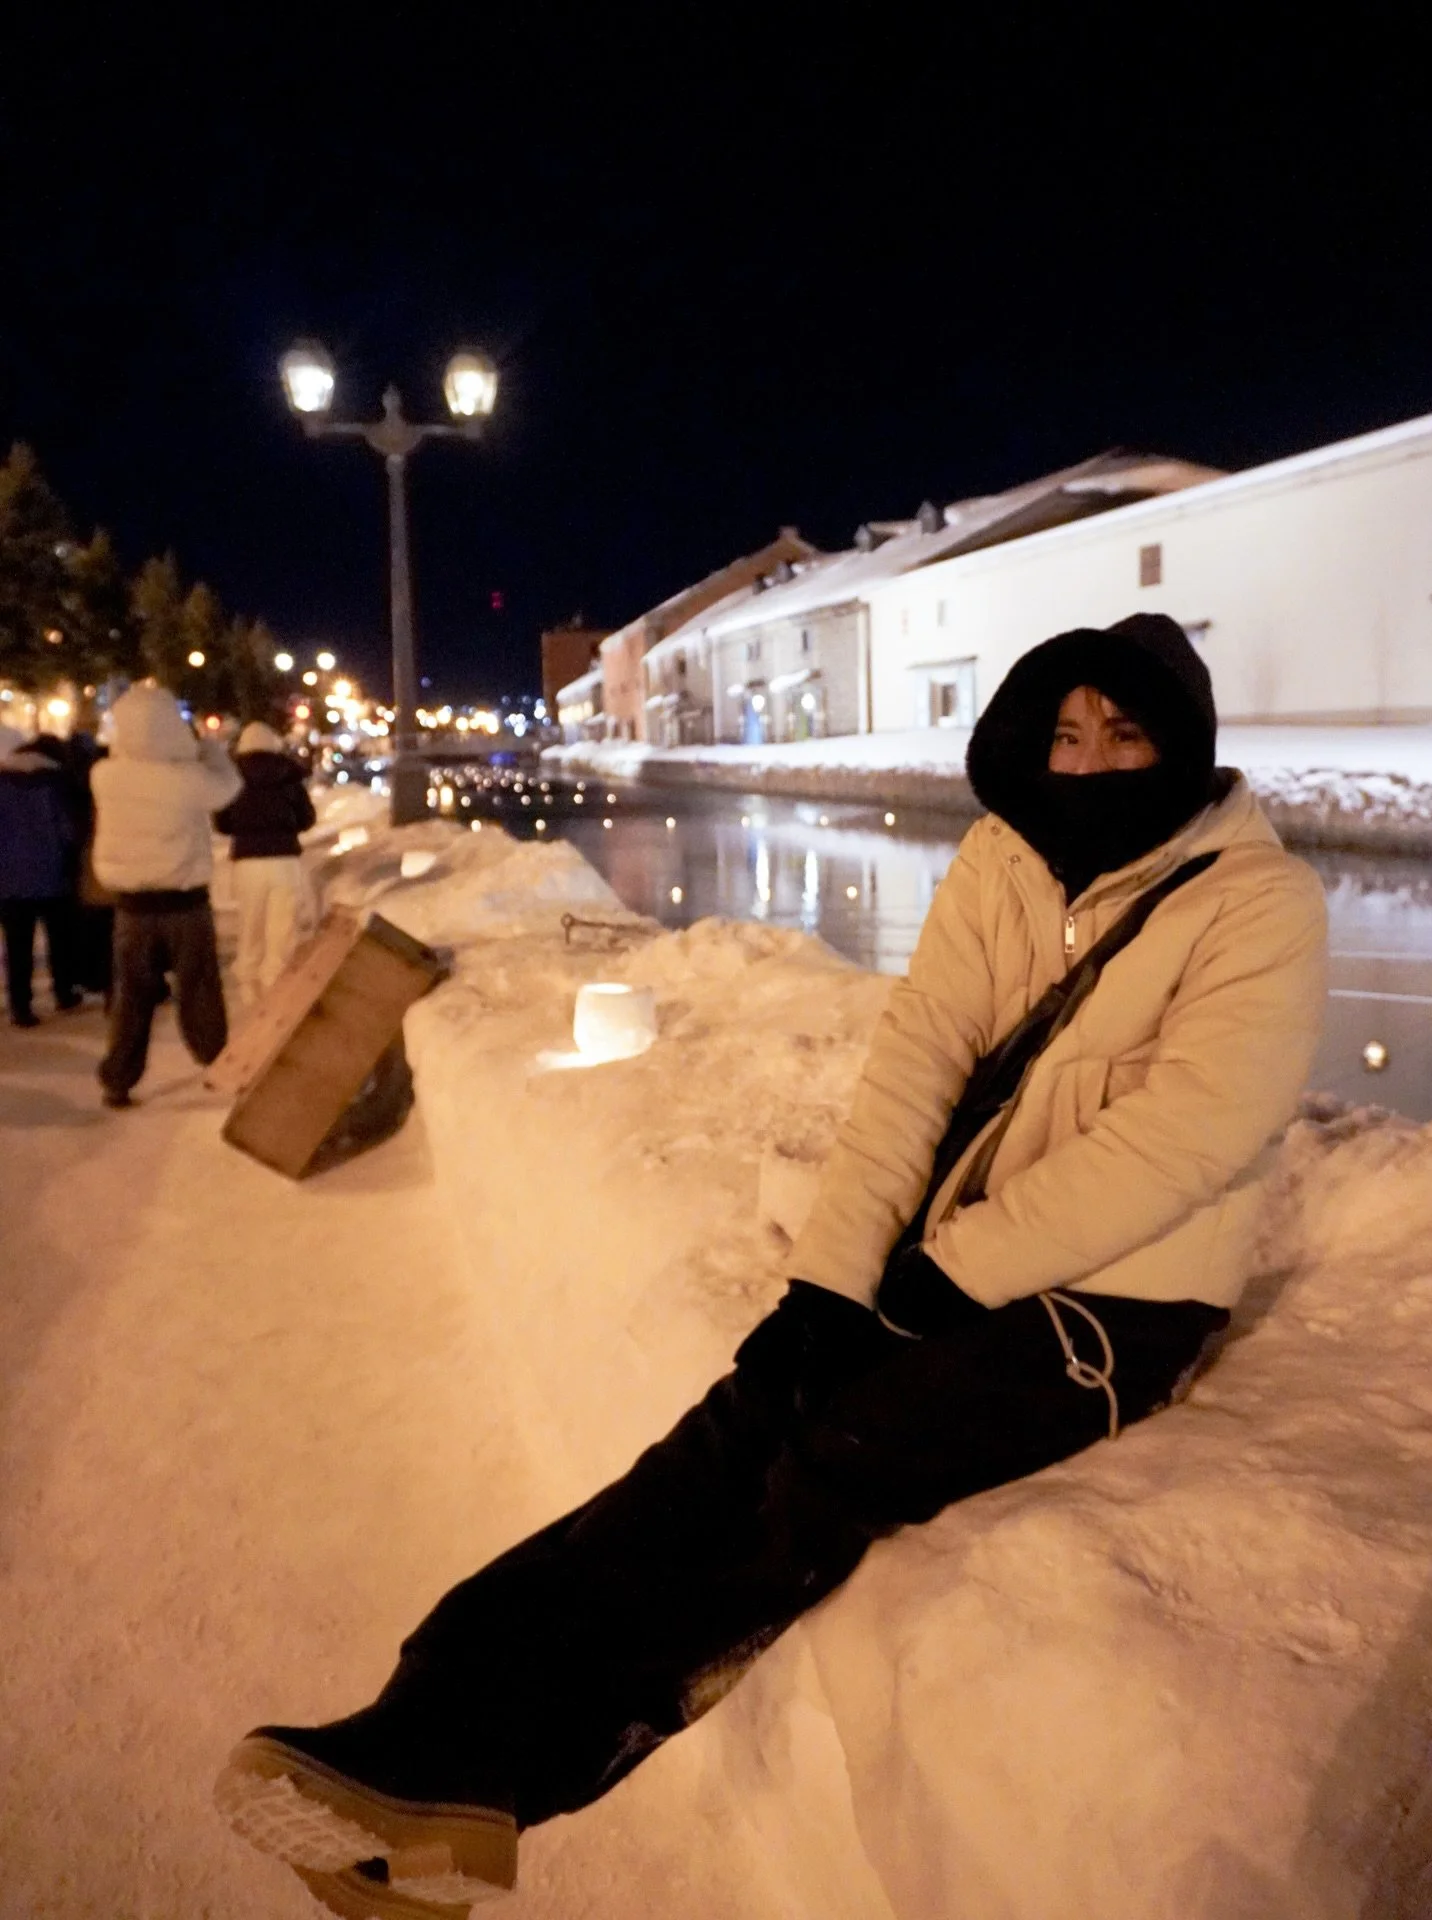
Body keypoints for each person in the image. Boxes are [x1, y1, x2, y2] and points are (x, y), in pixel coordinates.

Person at [214, 613, 1328, 1919]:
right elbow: (916, 1066)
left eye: (1123, 736)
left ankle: (489, 1786)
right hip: (957, 1266)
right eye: (1065, 735)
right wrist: (831, 1286)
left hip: (1116, 1303)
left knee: (827, 1460)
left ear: (1184, 747)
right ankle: (427, 1718)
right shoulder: (1004, 859)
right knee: (733, 1424)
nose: (1084, 767)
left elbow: (1181, 1140)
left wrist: (937, 1283)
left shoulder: (1262, 905)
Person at [91, 683, 241, 1108]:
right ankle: (218, 1064)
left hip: (131, 908)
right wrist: (211, 751)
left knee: (130, 995)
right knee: (198, 992)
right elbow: (227, 789)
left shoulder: (104, 776)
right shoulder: (184, 778)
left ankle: (118, 1078)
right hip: (184, 904)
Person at [214, 720, 316, 1009]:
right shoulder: (288, 776)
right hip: (284, 862)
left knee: (250, 924)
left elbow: (222, 823)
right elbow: (307, 819)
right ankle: (276, 989)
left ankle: (248, 987)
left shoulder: (233, 778)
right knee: (282, 929)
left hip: (247, 863)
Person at [0, 724, 81, 1026]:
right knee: (59, 938)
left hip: (9, 878)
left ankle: (20, 1005)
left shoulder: (2, 782)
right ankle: (63, 991)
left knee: (17, 945)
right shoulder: (55, 782)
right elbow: (67, 829)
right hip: (51, 872)